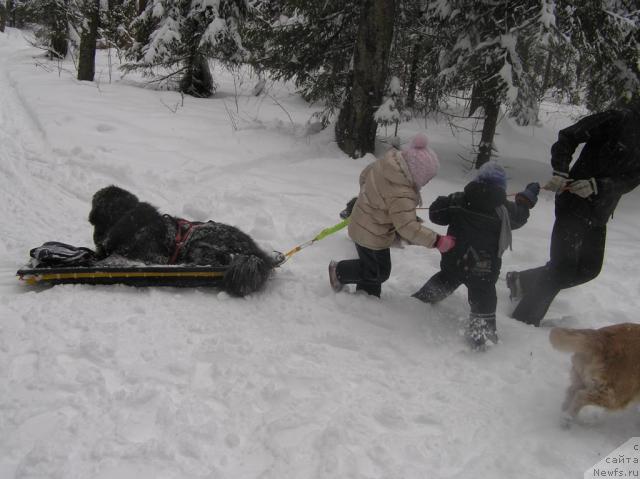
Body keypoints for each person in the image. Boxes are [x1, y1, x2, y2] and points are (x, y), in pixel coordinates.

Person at [507, 96, 640, 326]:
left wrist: (599, 186)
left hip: (600, 211)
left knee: (589, 269)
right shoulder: (616, 118)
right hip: (573, 204)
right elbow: (568, 136)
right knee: (562, 268)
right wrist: (561, 171)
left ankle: (521, 281)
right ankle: (522, 322)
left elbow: (633, 178)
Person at [412, 162, 539, 349]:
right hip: (483, 269)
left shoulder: (458, 200)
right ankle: (482, 336)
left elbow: (436, 214)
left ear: (477, 180)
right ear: (502, 187)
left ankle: (418, 305)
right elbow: (521, 216)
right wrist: (527, 198)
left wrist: (442, 201)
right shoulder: (505, 211)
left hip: (454, 261)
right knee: (484, 298)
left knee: (446, 279)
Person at [328, 134, 455, 297]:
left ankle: (366, 296)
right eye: (426, 179)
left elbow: (364, 176)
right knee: (380, 272)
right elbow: (407, 227)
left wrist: (371, 200)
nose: (425, 183)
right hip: (373, 235)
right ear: (417, 173)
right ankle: (338, 271)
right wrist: (437, 241)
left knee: (372, 269)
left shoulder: (386, 165)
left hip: (363, 223)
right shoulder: (402, 193)